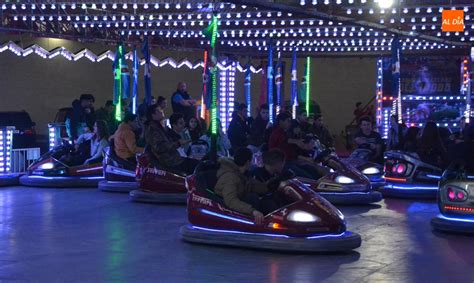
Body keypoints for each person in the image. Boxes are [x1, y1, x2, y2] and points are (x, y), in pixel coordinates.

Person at [214, 148, 276, 224]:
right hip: (227, 209)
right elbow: (231, 201)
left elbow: (255, 186)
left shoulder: (243, 175)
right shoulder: (230, 177)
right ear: (247, 162)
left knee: (266, 202)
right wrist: (253, 211)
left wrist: (270, 186)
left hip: (238, 203)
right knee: (253, 198)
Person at [269, 112, 327, 178]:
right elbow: (287, 151)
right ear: (281, 121)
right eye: (288, 121)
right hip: (282, 163)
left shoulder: (285, 133)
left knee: (313, 170)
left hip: (290, 160)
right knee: (309, 175)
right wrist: (303, 157)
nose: (289, 123)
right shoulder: (278, 134)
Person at [144, 104, 198, 175]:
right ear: (153, 115)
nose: (162, 111)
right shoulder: (153, 129)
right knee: (198, 166)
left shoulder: (158, 127)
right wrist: (178, 143)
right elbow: (160, 147)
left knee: (198, 164)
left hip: (174, 159)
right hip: (169, 161)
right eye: (159, 110)